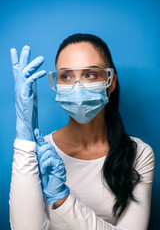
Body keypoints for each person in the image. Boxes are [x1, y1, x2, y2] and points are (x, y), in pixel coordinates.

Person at [9, 33, 155, 230]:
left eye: (90, 74)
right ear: (57, 84)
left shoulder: (138, 154)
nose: (77, 87)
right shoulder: (39, 152)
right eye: (66, 76)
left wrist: (62, 198)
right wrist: (24, 140)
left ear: (110, 82)